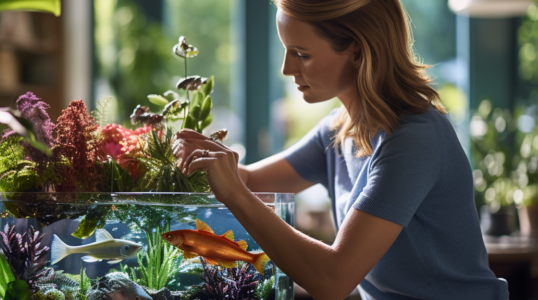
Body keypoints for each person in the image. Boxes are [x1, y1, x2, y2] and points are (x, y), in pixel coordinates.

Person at [173, 0, 509, 299]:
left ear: (359, 51)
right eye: (287, 51)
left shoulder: (413, 138)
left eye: (302, 54)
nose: (287, 69)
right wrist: (203, 156)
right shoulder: (337, 129)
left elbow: (332, 281)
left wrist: (233, 189)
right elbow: (247, 182)